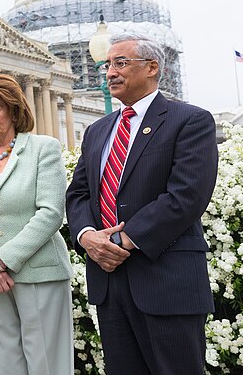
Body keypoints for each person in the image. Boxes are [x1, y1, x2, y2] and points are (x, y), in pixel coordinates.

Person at [66, 34, 217, 374]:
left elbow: (187, 195)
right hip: (110, 284)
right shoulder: (97, 130)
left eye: (120, 63)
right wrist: (88, 236)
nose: (109, 73)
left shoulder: (189, 120)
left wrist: (120, 240)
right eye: (107, 66)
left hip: (165, 281)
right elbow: (78, 194)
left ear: (152, 68)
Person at [0, 74, 73, 374]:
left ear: (13, 109)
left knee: (47, 364)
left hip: (38, 273)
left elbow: (50, 214)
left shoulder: (42, 149)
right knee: (3, 364)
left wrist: (2, 261)